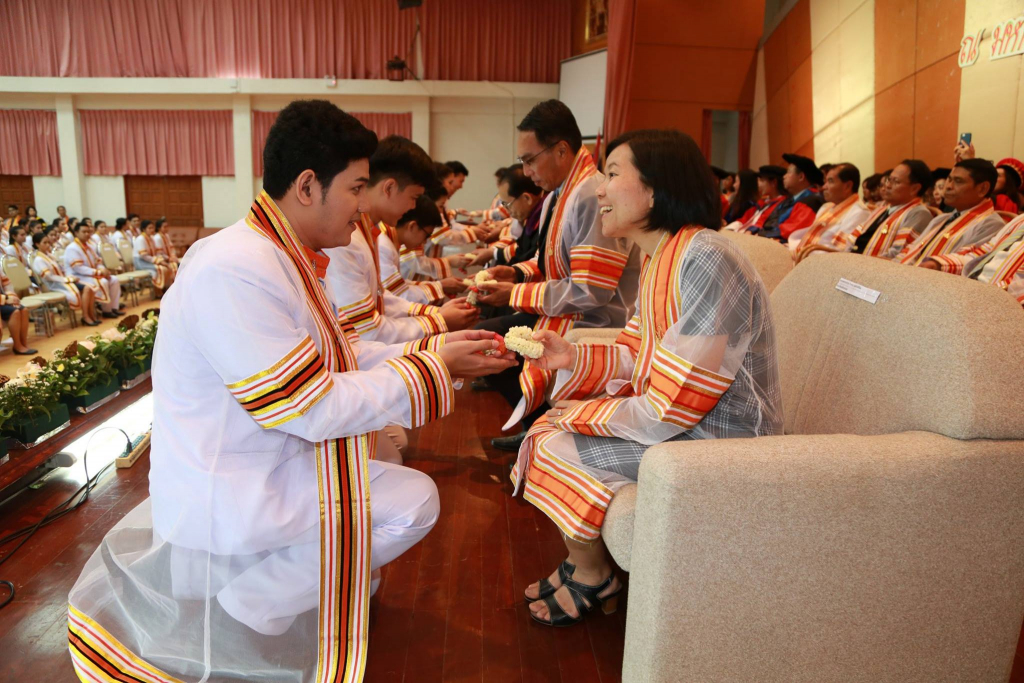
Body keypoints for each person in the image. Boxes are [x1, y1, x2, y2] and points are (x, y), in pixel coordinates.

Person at [66, 99, 517, 683]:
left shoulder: (280, 255)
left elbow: (339, 357)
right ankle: (246, 607)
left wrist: (437, 352)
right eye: (356, 188)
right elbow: (307, 405)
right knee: (412, 503)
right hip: (231, 483)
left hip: (264, 461)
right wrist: (431, 366)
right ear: (307, 186)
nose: (362, 207)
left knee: (391, 484)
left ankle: (283, 587)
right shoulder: (236, 267)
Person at [513, 129, 782, 627]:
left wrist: (587, 414)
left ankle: (594, 575)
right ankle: (582, 564)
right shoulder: (663, 255)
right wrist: (571, 354)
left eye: (613, 174)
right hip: (689, 421)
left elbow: (679, 400)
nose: (599, 188)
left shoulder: (706, 258)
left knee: (554, 441)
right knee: (551, 428)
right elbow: (636, 352)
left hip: (723, 438)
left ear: (656, 189)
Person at [474, 100, 640, 451]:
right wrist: (515, 273)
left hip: (595, 319)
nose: (526, 170)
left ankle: (541, 430)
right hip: (568, 307)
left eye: (530, 159)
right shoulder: (559, 195)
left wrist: (514, 294)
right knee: (487, 337)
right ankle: (535, 425)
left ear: (562, 150)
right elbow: (548, 259)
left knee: (491, 341)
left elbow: (591, 291)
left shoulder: (589, 194)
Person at [326, 135, 478, 343]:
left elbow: (380, 298)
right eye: (413, 198)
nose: (413, 207)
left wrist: (434, 314)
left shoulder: (368, 231)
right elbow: (368, 331)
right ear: (388, 188)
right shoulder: (348, 240)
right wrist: (438, 321)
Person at [898, 159, 1005, 266]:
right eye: (949, 180)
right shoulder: (941, 219)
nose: (948, 186)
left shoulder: (992, 224)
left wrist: (937, 264)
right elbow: (913, 248)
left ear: (982, 189)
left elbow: (969, 262)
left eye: (958, 181)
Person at [378, 195, 455, 304]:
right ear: (412, 226)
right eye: (427, 235)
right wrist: (440, 287)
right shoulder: (383, 245)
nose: (425, 242)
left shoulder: (390, 239)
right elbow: (399, 295)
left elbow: (399, 285)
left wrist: (439, 286)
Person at [850, 159, 934, 258]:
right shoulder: (882, 209)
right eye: (889, 180)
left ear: (914, 189)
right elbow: (853, 240)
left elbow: (898, 255)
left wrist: (859, 262)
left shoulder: (919, 214)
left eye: (896, 181)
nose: (888, 185)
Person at [790, 162, 872, 260]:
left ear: (848, 186)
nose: (824, 187)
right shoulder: (826, 207)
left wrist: (802, 254)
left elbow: (840, 251)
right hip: (809, 256)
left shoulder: (859, 213)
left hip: (825, 263)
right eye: (825, 181)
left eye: (830, 181)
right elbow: (807, 237)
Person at [32, 228, 100, 326]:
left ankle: (91, 315)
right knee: (87, 288)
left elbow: (61, 269)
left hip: (61, 281)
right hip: (53, 285)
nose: (48, 245)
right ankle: (86, 316)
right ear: (37, 244)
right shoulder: (38, 260)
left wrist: (70, 277)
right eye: (44, 243)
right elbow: (48, 277)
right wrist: (66, 279)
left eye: (48, 242)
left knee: (90, 288)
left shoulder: (49, 255)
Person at [757, 153, 825, 241]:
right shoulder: (788, 200)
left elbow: (791, 230)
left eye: (788, 172)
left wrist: (762, 234)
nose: (784, 176)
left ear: (801, 177)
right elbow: (770, 222)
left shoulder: (812, 201)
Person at [64, 220, 123, 317]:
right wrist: (98, 272)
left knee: (114, 279)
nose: (87, 234)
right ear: (76, 233)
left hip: (90, 274)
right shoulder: (72, 248)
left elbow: (97, 262)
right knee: (103, 281)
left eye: (88, 232)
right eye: (84, 232)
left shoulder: (89, 246)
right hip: (77, 276)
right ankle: (106, 310)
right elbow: (78, 268)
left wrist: (102, 269)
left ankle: (113, 308)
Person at [723, 165, 787, 232]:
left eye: (762, 180)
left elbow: (764, 225)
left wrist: (750, 231)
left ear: (773, 182)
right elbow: (743, 219)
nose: (759, 184)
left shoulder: (782, 205)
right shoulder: (762, 203)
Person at [0, 268, 37, 355]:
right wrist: (6, 298)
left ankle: (24, 343)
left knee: (23, 310)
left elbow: (7, 284)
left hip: (4, 300)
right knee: (15, 312)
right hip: (2, 300)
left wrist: (11, 297)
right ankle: (17, 345)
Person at [134, 219, 176, 294]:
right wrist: (158, 261)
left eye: (153, 228)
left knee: (166, 267)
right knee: (161, 269)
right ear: (144, 229)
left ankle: (167, 289)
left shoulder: (151, 238)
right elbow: (144, 256)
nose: (152, 230)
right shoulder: (140, 239)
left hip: (150, 260)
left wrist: (161, 260)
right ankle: (157, 291)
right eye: (149, 228)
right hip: (141, 262)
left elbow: (156, 253)